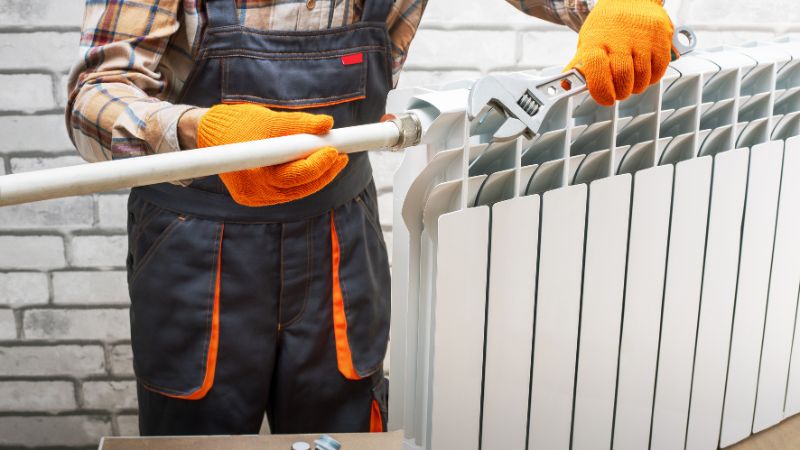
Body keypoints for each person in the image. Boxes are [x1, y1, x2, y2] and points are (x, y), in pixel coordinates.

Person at [66, 0, 676, 436]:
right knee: (193, 433)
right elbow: (95, 92)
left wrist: (621, 4)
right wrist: (201, 134)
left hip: (338, 234)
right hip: (195, 243)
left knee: (344, 425)